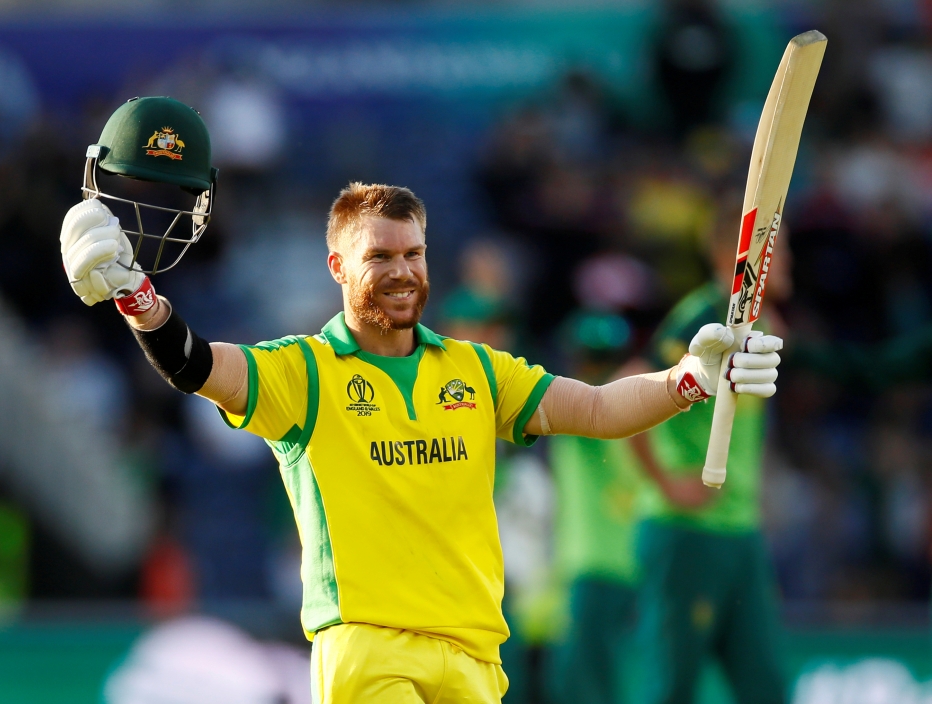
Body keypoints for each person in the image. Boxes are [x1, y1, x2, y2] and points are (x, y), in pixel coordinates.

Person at [58, 96, 784, 704]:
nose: (402, 272)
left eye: (413, 254)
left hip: (473, 653)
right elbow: (195, 365)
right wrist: (137, 298)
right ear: (339, 265)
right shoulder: (303, 373)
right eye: (379, 257)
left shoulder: (474, 369)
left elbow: (596, 410)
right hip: (370, 650)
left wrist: (686, 379)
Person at [627, 207, 791, 704]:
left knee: (766, 687)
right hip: (687, 532)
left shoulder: (753, 321)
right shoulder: (705, 314)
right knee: (672, 688)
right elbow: (632, 380)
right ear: (738, 256)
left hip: (739, 531)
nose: (789, 261)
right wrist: (665, 482)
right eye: (779, 250)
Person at [546, 309, 651, 704]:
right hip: (629, 568)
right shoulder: (638, 409)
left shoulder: (578, 411)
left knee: (583, 686)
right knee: (604, 683)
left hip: (592, 570)